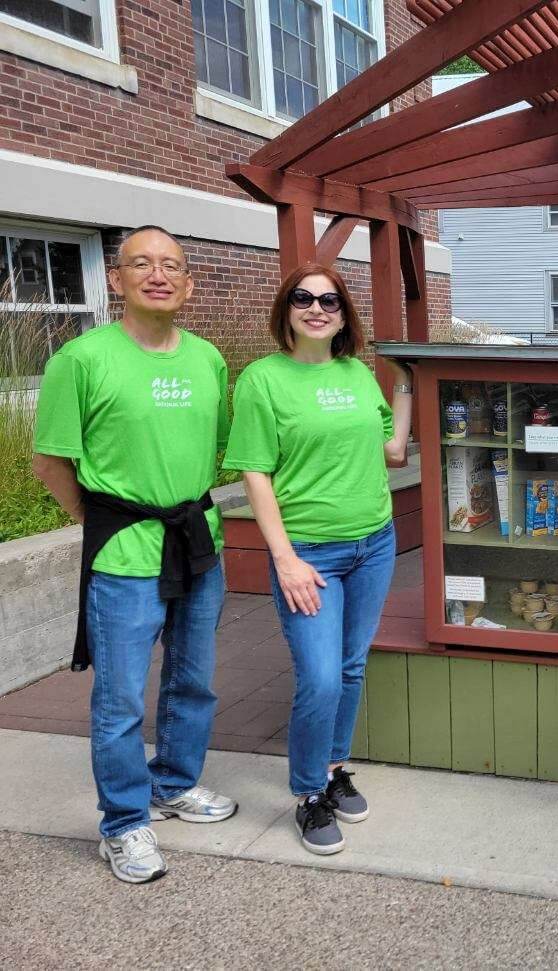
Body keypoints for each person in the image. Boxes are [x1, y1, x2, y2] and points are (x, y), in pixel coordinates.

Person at [32, 225, 237, 885]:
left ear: (188, 283)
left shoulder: (208, 358)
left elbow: (215, 447)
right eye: (141, 263)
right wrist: (96, 517)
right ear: (116, 280)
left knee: (193, 675)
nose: (158, 273)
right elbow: (49, 460)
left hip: (197, 538)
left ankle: (173, 782)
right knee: (119, 697)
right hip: (124, 551)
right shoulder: (83, 359)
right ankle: (122, 822)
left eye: (172, 265)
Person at [222, 263, 412, 856]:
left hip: (373, 543)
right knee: (321, 676)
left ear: (342, 316)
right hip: (309, 554)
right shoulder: (262, 379)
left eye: (329, 300)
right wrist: (283, 559)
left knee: (351, 666)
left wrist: (404, 385)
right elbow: (254, 470)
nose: (316, 308)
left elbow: (392, 451)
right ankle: (309, 793)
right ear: (287, 310)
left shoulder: (357, 374)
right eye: (303, 298)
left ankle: (333, 768)